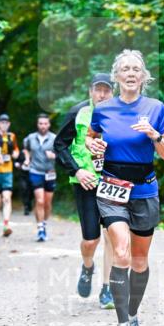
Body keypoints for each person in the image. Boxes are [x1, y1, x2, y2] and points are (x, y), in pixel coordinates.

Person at [86, 49, 164, 326]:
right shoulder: (103, 109)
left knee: (138, 260)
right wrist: (92, 147)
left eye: (136, 69)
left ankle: (133, 316)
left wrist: (154, 135)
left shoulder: (156, 108)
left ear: (144, 76)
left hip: (144, 189)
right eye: (125, 69)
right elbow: (90, 138)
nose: (131, 73)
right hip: (112, 188)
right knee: (121, 252)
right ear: (117, 76)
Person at [54, 72, 115, 310]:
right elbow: (60, 145)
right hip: (85, 182)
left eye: (106, 90)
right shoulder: (77, 112)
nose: (102, 94)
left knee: (112, 235)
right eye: (98, 90)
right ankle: (88, 266)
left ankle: (107, 288)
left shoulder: (120, 114)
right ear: (90, 91)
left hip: (112, 182)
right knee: (91, 240)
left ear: (113, 92)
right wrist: (77, 171)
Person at [22, 114, 57, 242]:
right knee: (40, 201)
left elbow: (62, 153)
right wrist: (27, 159)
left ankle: (44, 223)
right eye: (41, 123)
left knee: (47, 203)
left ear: (49, 125)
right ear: (37, 125)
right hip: (35, 171)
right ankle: (40, 228)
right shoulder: (30, 138)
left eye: (45, 123)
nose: (43, 126)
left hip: (50, 173)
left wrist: (54, 156)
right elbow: (25, 149)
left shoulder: (54, 138)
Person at [0, 114, 19, 237]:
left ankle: (6, 224)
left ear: (9, 124)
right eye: (2, 122)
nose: (4, 125)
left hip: (8, 170)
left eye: (6, 123)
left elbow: (16, 149)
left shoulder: (12, 136)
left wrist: (16, 153)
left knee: (6, 198)